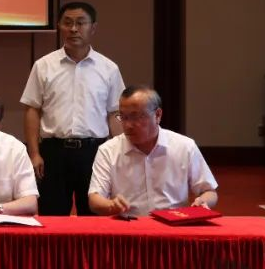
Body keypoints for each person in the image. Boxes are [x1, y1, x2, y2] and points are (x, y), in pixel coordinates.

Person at [20, 1, 124, 216]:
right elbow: (32, 110)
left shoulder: (109, 68)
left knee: (95, 215)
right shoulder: (44, 65)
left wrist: (120, 153)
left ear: (93, 28)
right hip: (54, 152)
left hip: (94, 152)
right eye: (67, 23)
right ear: (59, 26)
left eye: (80, 23)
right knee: (52, 215)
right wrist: (34, 153)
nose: (74, 29)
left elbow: (114, 113)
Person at [88, 85, 219, 216]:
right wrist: (111, 205)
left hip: (173, 223)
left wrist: (203, 201)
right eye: (123, 117)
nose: (127, 125)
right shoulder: (108, 150)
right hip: (128, 224)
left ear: (157, 115)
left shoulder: (185, 147)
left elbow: (209, 191)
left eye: (135, 117)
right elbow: (94, 199)